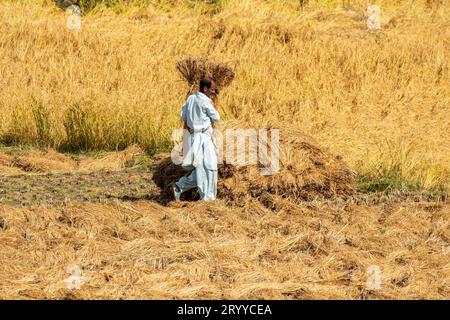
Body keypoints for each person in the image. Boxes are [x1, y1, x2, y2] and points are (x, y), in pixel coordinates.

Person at [172, 79, 220, 201]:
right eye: (212, 89)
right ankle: (207, 199)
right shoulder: (206, 101)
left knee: (201, 168)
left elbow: (183, 116)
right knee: (209, 168)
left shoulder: (190, 99)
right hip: (203, 139)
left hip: (193, 137)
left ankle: (179, 186)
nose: (214, 92)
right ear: (205, 89)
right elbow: (216, 118)